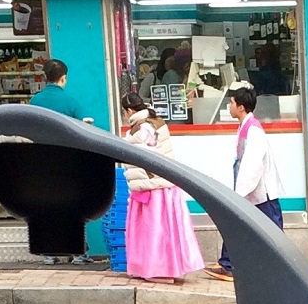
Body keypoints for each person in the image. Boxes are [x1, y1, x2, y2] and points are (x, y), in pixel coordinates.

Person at [121, 105, 206, 283]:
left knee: (153, 231)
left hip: (150, 186)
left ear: (129, 110)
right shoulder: (158, 122)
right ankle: (174, 267)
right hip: (166, 185)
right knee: (170, 230)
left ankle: (157, 269)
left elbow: (140, 156)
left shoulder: (139, 128)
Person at [212, 85, 283, 278]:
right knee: (240, 226)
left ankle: (279, 268)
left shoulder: (253, 130)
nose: (229, 105)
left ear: (241, 107)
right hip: (253, 192)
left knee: (271, 233)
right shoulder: (247, 127)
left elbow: (253, 164)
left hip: (260, 193)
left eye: (232, 102)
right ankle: (228, 263)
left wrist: (241, 193)